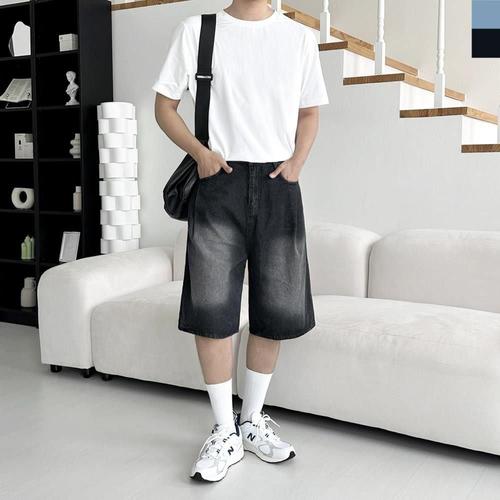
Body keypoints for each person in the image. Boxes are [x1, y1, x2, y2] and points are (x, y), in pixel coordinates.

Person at [153, 0, 329, 482]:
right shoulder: (198, 30)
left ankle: (251, 420)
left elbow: (309, 113)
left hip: (278, 185)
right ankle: (224, 429)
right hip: (219, 181)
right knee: (213, 309)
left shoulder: (299, 38)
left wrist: (296, 163)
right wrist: (200, 153)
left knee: (276, 308)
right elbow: (164, 106)